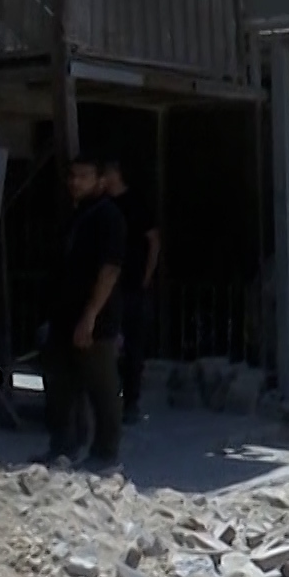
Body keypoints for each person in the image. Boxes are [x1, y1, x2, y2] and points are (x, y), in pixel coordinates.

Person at [38, 155, 127, 469]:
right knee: (60, 386)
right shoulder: (76, 216)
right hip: (64, 314)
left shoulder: (108, 217)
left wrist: (90, 315)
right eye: (72, 175)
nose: (75, 182)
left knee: (101, 387)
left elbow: (110, 269)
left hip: (96, 319)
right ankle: (64, 445)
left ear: (100, 180)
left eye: (84, 176)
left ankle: (105, 452)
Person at [102, 159, 161, 425]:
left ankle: (131, 401)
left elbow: (154, 240)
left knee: (133, 346)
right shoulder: (102, 205)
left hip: (132, 284)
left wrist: (146, 277)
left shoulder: (135, 203)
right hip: (108, 285)